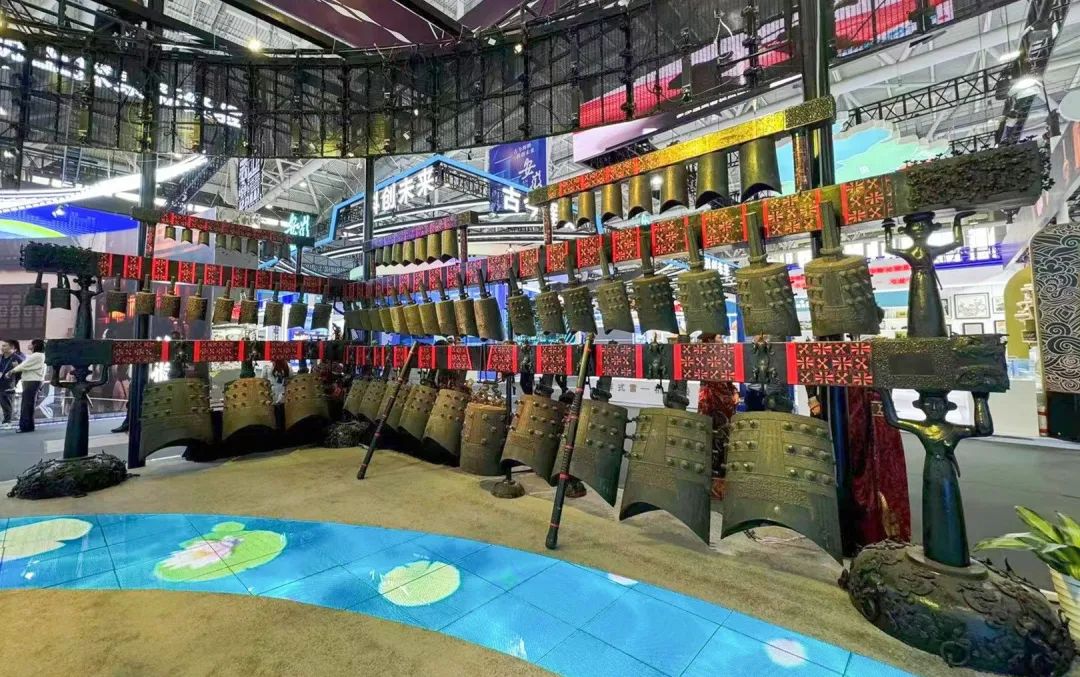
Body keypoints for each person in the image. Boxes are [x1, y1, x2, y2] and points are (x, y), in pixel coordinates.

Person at [7, 338, 45, 433]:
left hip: (31, 381)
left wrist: (12, 371)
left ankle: (25, 426)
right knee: (29, 404)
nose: (29, 345)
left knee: (26, 405)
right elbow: (26, 365)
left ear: (35, 345)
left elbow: (24, 365)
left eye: (31, 344)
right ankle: (29, 426)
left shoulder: (36, 355)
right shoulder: (40, 355)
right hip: (34, 381)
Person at [0, 339, 23, 428]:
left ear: (12, 347)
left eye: (5, 346)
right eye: (2, 345)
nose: (2, 347)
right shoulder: (1, 357)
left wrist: (14, 382)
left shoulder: (16, 359)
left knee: (7, 403)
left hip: (9, 384)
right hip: (1, 382)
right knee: (3, 403)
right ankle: (5, 421)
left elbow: (20, 372)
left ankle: (7, 421)